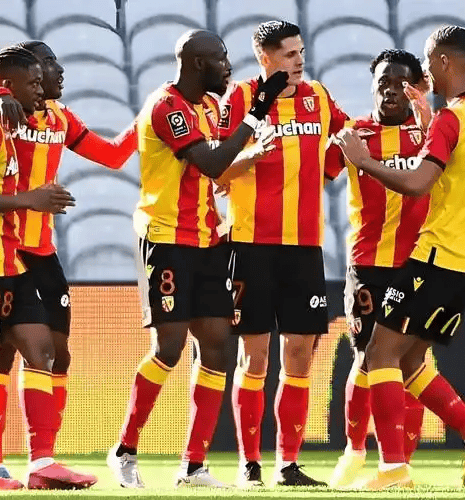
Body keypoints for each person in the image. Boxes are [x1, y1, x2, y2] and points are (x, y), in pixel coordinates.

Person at [333, 25, 465, 489]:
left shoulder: (450, 119)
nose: (424, 72)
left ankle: (393, 469)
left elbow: (418, 184)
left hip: (435, 256)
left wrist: (363, 160)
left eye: (427, 61)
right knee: (411, 362)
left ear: (442, 61)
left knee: (380, 354)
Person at [104, 29, 289, 488]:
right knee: (168, 348)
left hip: (208, 240)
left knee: (217, 347)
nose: (228, 67)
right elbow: (209, 161)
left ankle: (193, 465)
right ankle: (125, 449)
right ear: (198, 63)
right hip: (167, 239)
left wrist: (250, 153)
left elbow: (220, 163)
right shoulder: (166, 107)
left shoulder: (208, 106)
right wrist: (257, 113)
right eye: (221, 59)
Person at [0, 40, 137, 481]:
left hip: (41, 252)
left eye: (49, 68)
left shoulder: (58, 117)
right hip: (0, 248)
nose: (57, 72)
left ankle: (43, 460)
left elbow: (113, 156)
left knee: (55, 353)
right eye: (47, 65)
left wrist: (145, 120)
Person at [216, 20, 349, 487]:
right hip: (250, 245)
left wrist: (326, 170)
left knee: (299, 356)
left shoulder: (319, 96)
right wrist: (248, 158)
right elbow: (215, 170)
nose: (299, 61)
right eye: (290, 54)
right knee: (254, 358)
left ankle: (287, 464)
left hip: (304, 247)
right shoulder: (240, 98)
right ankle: (249, 464)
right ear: (265, 58)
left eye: (301, 52)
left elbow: (350, 139)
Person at [322, 49, 431, 488]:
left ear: (416, 88)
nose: (390, 90)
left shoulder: (430, 134)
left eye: (400, 82)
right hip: (368, 264)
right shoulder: (354, 136)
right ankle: (355, 450)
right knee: (367, 357)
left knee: (414, 361)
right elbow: (313, 176)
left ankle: (402, 460)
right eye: (383, 81)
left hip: (418, 265)